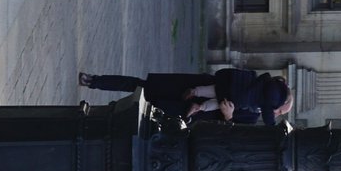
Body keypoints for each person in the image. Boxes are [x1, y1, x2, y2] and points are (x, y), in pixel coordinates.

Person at [78, 68, 293, 124]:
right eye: (281, 110)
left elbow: (230, 134)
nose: (278, 113)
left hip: (191, 115)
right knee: (141, 86)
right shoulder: (259, 87)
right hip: (197, 87)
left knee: (141, 113)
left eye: (281, 112)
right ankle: (95, 81)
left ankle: (94, 115)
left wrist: (228, 117)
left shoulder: (253, 116)